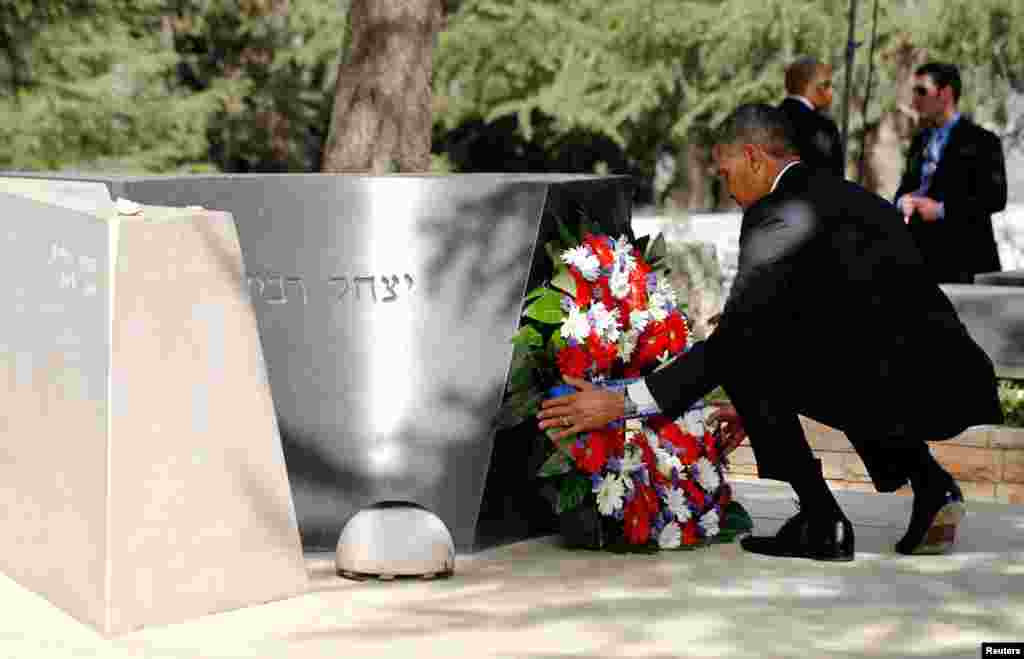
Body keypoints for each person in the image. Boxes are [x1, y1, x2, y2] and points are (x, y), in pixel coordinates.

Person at [538, 103, 1003, 561]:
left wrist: (619, 403)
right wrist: (766, 403)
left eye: (725, 172)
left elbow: (738, 342)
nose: (727, 188)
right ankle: (932, 485)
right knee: (781, 353)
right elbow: (842, 320)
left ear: (755, 158)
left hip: (901, 385)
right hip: (951, 380)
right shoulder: (852, 196)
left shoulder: (776, 216)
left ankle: (822, 522)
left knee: (746, 356)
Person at [894, 62, 1007, 284]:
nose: (915, 99)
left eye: (922, 91)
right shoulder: (919, 141)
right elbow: (905, 187)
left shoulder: (982, 142)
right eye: (914, 91)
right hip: (919, 262)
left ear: (945, 94)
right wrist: (902, 202)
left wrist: (942, 210)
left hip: (964, 264)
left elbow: (994, 198)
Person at [778, 56, 844, 177]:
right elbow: (835, 181)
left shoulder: (768, 120)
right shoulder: (823, 127)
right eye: (826, 85)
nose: (831, 92)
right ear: (809, 86)